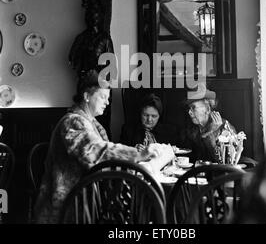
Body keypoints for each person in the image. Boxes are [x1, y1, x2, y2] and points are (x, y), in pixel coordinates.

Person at [34, 71, 174, 224]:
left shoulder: (91, 123)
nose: (107, 103)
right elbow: (95, 152)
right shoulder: (73, 121)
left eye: (108, 98)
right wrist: (138, 154)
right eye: (103, 97)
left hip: (85, 202)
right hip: (67, 207)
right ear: (87, 96)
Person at [180, 83, 236, 163]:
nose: (190, 112)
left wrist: (210, 133)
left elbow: (225, 161)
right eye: (189, 108)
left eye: (193, 107)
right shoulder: (190, 129)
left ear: (208, 109)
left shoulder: (225, 127)